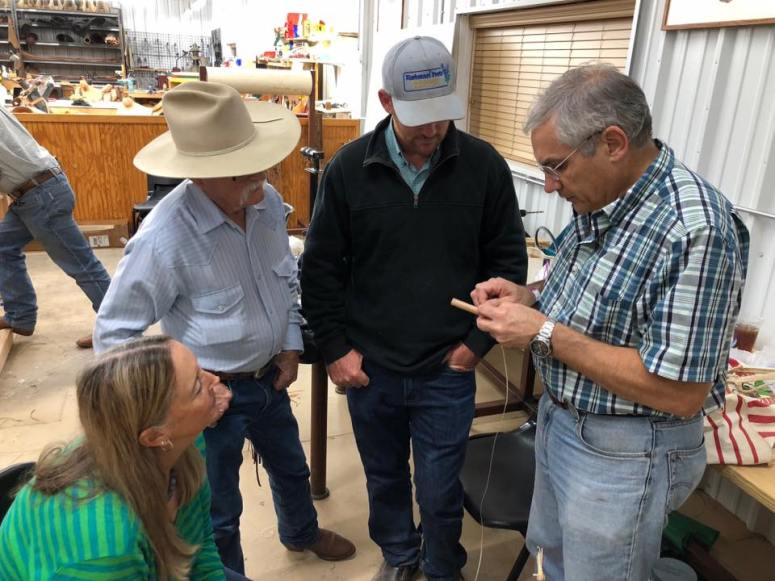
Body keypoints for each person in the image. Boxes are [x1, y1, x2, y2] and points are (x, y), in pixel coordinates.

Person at [472, 64, 749, 580]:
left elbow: (680, 392)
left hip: (627, 451)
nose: (551, 186)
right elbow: (587, 301)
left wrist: (544, 333)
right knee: (554, 559)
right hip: (562, 422)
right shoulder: (601, 197)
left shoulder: (696, 231)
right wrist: (530, 298)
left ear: (614, 142)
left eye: (557, 167)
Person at [93, 81, 355, 575]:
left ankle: (300, 532)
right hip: (207, 403)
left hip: (269, 379)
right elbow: (113, 337)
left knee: (292, 468)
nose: (259, 181)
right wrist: (174, 405)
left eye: (261, 166)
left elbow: (282, 283)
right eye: (242, 175)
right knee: (218, 510)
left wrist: (289, 346)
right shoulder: (164, 239)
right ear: (199, 175)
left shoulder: (267, 201)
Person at [301, 36, 527, 581]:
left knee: (441, 485)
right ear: (385, 101)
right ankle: (401, 556)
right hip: (369, 368)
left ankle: (442, 563)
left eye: (442, 116)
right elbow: (320, 268)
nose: (432, 130)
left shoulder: (484, 168)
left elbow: (508, 269)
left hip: (446, 367)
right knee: (383, 478)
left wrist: (474, 348)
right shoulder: (349, 169)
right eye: (419, 118)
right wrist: (336, 349)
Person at [0, 335, 239, 580]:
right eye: (197, 386)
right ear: (155, 436)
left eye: (199, 370)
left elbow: (199, 547)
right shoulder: (105, 551)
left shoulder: (184, 444)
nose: (216, 380)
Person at [0, 105, 111, 348]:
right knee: (2, 247)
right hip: (34, 191)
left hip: (39, 194)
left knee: (81, 265)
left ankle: (116, 327)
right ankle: (21, 317)